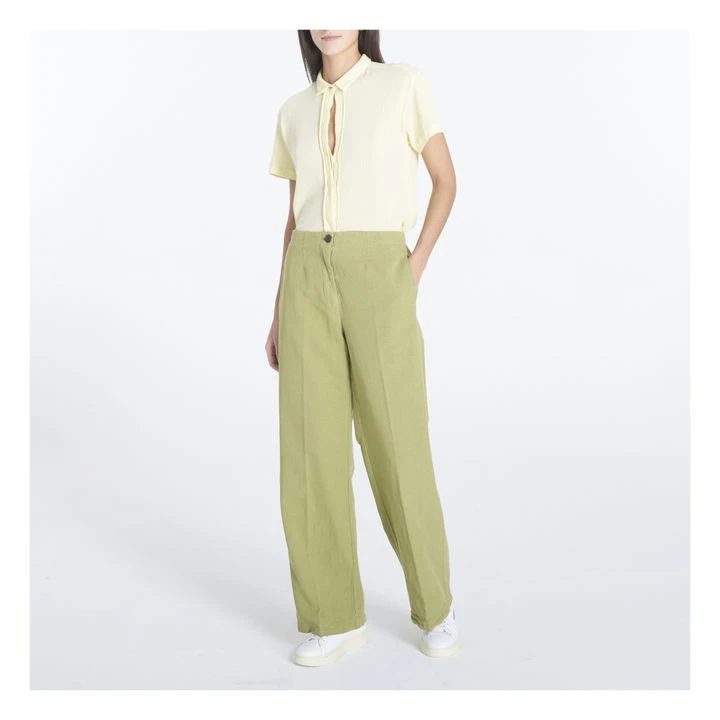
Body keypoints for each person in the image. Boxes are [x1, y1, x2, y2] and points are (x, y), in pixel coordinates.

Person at [265, 30, 458, 667]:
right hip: (306, 277)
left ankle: (436, 606)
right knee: (309, 450)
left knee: (398, 442)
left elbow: (445, 180)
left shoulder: (402, 84)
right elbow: (293, 218)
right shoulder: (294, 110)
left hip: (380, 271)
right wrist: (279, 309)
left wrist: (413, 266)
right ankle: (333, 617)